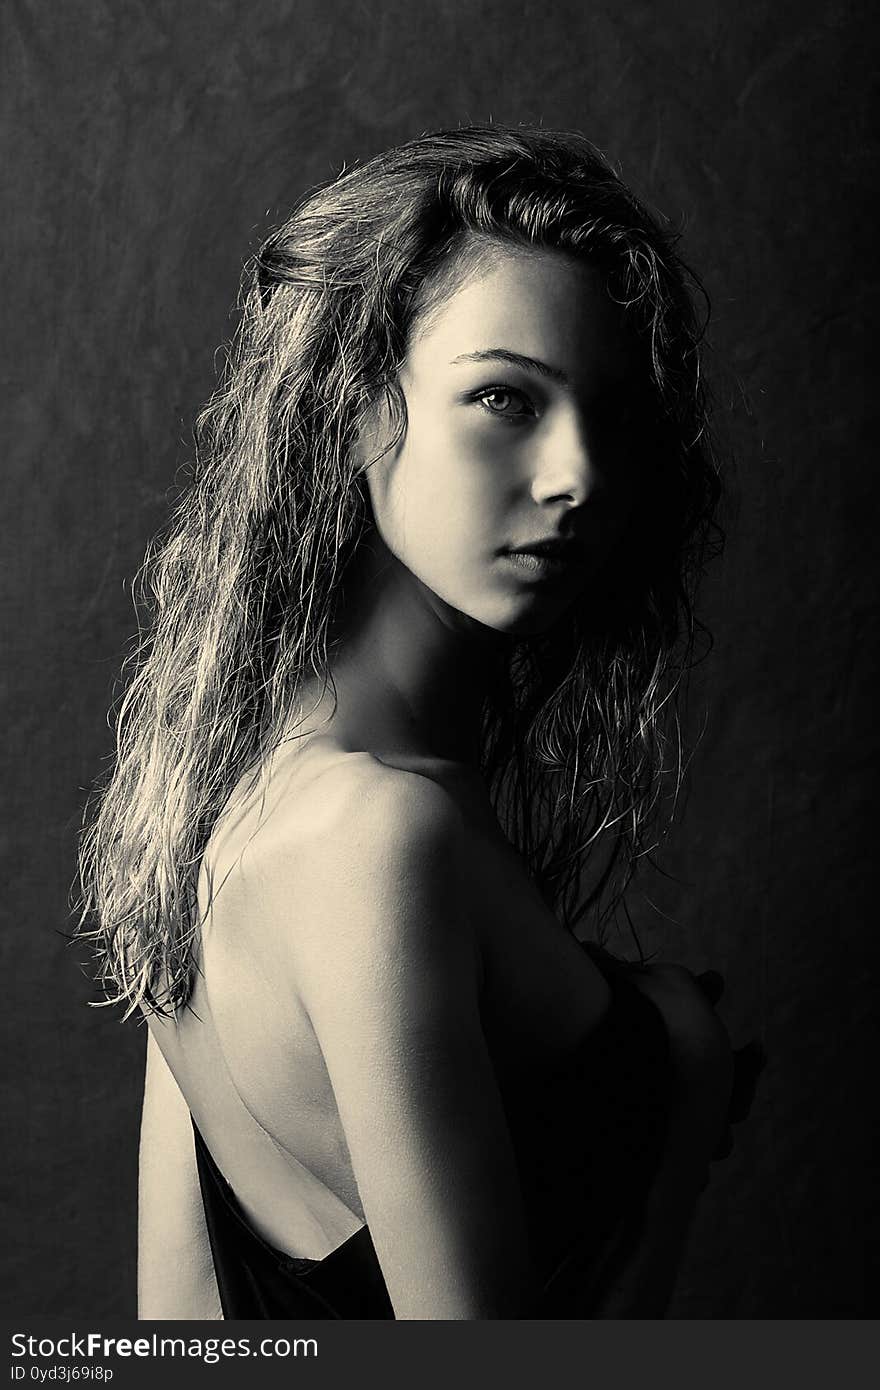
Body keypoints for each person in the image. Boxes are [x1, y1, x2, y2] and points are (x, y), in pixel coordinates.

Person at [78, 124, 764, 1320]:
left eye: (607, 416)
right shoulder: (378, 836)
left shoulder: (220, 800)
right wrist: (675, 1102)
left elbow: (178, 1338)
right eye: (504, 397)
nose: (577, 474)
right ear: (351, 408)